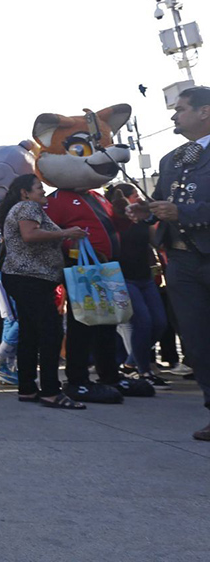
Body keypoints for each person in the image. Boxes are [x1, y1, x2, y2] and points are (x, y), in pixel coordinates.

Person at [127, 86, 210, 441]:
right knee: (196, 341)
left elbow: (181, 208)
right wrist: (145, 213)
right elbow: (162, 202)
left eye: (180, 109)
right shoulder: (171, 159)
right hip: (180, 261)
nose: (174, 116)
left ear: (205, 112)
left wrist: (184, 212)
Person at [0, 174, 88, 409]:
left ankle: (27, 387)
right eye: (39, 188)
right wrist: (66, 233)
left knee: (30, 333)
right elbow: (30, 235)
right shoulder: (28, 207)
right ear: (25, 192)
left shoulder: (23, 207)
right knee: (51, 332)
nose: (44, 192)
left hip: (26, 279)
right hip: (30, 279)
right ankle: (50, 390)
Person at [105, 183, 168, 386]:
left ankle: (131, 362)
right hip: (123, 278)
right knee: (143, 322)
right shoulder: (112, 222)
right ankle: (144, 371)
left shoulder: (143, 220)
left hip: (145, 277)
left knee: (159, 323)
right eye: (135, 196)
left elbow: (156, 243)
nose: (139, 199)